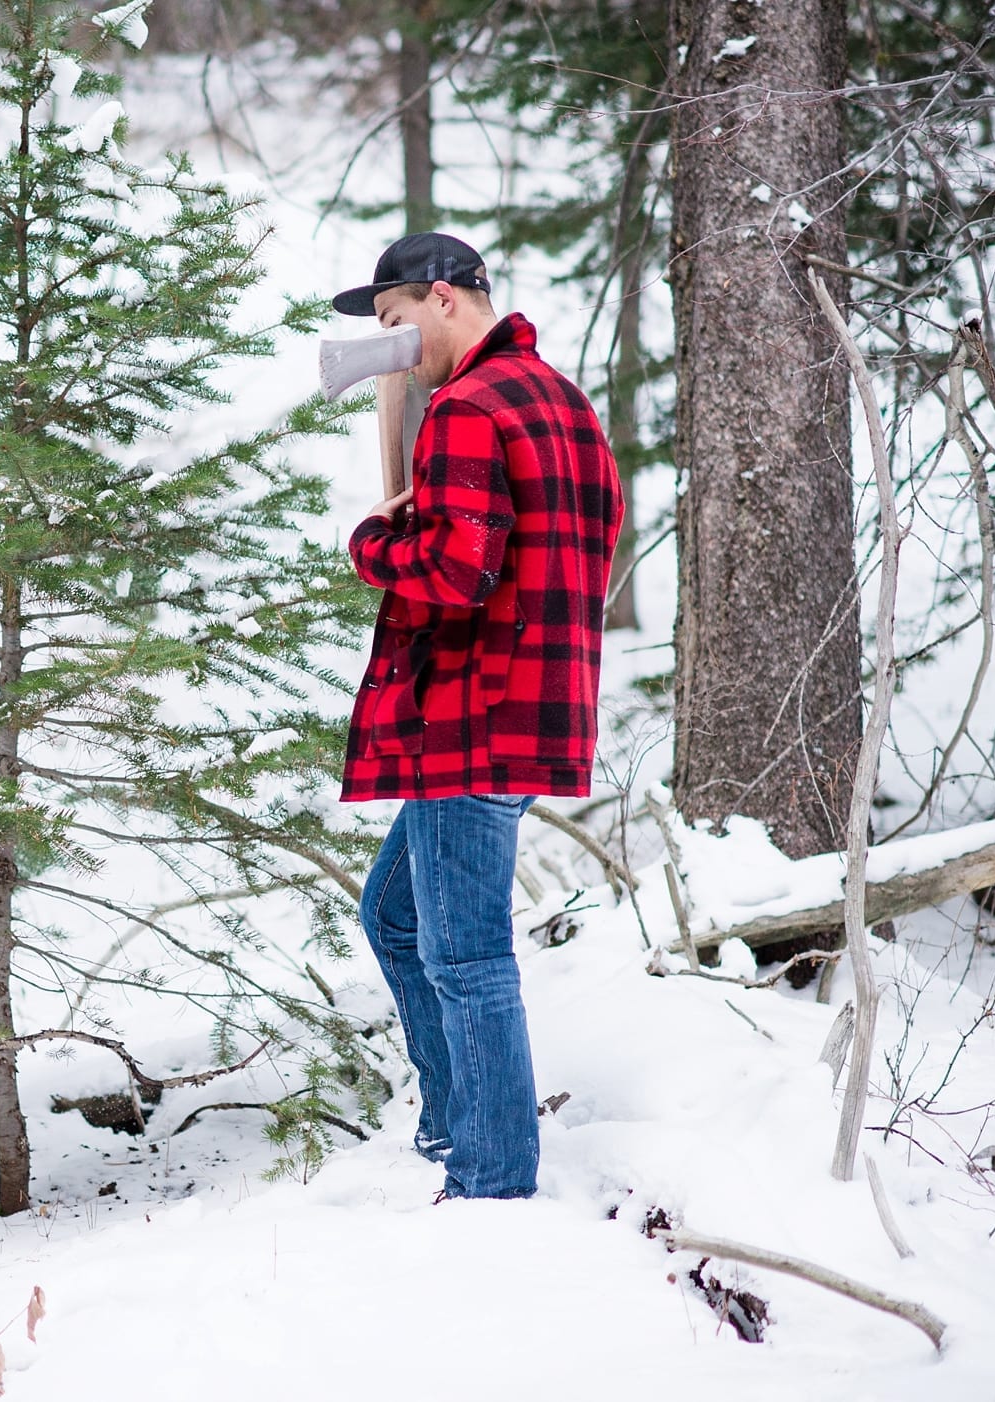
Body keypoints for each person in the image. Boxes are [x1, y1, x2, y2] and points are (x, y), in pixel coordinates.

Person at [333, 232, 622, 1200]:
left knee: (466, 951)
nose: (391, 344)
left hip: (472, 718)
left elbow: (457, 571)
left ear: (446, 299)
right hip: (539, 716)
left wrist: (375, 544)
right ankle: (457, 1119)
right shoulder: (565, 403)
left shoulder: (462, 410)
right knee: (397, 913)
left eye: (393, 321)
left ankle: (492, 1176)